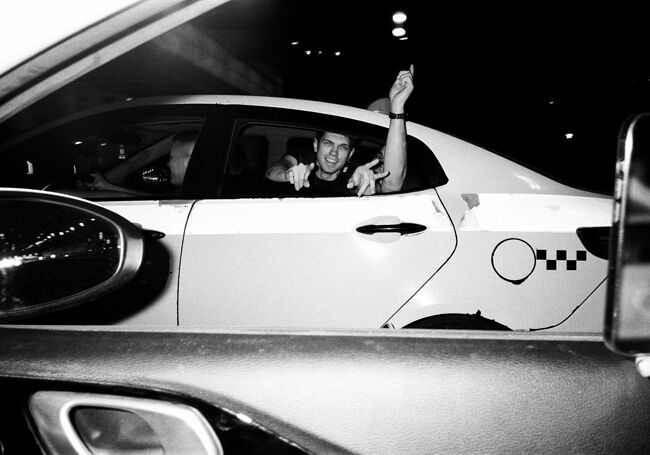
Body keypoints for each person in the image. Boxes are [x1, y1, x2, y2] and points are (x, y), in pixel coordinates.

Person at [265, 65, 414, 196]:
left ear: (351, 153)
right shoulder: (302, 158)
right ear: (316, 145)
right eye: (328, 143)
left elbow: (392, 185)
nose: (334, 153)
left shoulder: (354, 173)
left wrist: (397, 107)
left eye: (343, 147)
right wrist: (289, 174)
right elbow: (272, 172)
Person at [87, 131, 197, 196]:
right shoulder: (191, 192)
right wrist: (108, 186)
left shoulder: (194, 196)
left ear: (190, 161)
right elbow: (154, 199)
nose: (168, 164)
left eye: (172, 157)